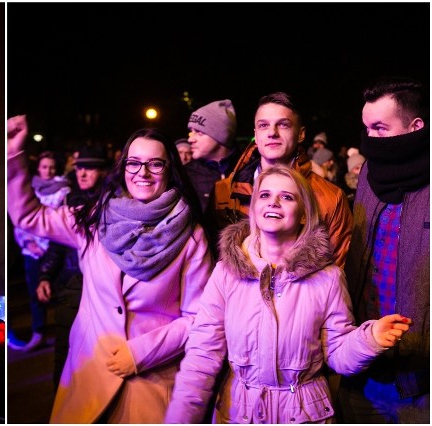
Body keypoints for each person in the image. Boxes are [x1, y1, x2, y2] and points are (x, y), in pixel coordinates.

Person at [166, 165, 413, 424]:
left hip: (305, 413)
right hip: (240, 412)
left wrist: (369, 339)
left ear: (304, 214)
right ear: (253, 209)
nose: (273, 202)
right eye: (264, 195)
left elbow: (337, 353)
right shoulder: (227, 273)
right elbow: (202, 354)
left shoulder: (327, 278)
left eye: (286, 196)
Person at [7, 115, 214, 423]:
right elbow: (28, 217)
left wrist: (141, 353)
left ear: (170, 170)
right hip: (88, 375)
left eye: (155, 164)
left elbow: (198, 317)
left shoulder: (191, 235)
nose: (142, 172)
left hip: (150, 382)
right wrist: (14, 154)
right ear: (123, 166)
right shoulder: (92, 219)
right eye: (134, 162)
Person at [340, 76, 430, 424]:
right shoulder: (368, 175)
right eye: (366, 129)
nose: (370, 140)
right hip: (363, 362)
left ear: (415, 127)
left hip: (420, 381)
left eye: (380, 128)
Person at [211, 92, 352, 267]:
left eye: (283, 125)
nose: (272, 133)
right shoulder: (223, 192)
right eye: (263, 125)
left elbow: (338, 274)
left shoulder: (331, 198)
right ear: (256, 133)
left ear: (301, 134)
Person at [35, 145, 108, 386]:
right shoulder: (70, 200)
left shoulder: (114, 202)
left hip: (103, 289)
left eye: (89, 168)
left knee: (98, 357)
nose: (82, 173)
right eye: (79, 168)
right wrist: (45, 275)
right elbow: (57, 244)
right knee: (65, 355)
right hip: (71, 285)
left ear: (104, 171)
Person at [10, 150, 71, 351]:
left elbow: (65, 221)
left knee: (62, 292)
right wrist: (28, 243)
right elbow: (19, 220)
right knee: (35, 293)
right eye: (44, 167)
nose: (48, 170)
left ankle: (66, 332)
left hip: (57, 247)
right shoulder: (30, 189)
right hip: (32, 249)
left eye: (52, 167)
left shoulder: (64, 191)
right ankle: (39, 332)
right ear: (38, 168)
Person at [184, 99, 241, 214]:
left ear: (222, 136)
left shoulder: (250, 170)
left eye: (199, 132)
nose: (190, 139)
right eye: (191, 132)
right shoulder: (185, 175)